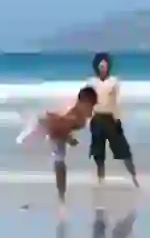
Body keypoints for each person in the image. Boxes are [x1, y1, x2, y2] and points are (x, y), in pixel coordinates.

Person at [25, 86, 99, 209]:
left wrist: (67, 138)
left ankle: (61, 195)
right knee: (58, 160)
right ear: (82, 103)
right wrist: (68, 139)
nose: (91, 110)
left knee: (59, 161)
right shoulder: (72, 117)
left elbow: (61, 128)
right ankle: (60, 196)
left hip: (54, 128)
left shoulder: (79, 119)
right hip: (45, 126)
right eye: (90, 106)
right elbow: (54, 126)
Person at [89, 52, 140, 188]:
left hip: (110, 119)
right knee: (98, 154)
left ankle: (134, 177)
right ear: (97, 66)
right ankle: (101, 180)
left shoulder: (114, 81)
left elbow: (116, 102)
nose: (102, 66)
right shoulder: (91, 82)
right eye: (100, 64)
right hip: (97, 119)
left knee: (124, 151)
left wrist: (118, 119)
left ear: (108, 66)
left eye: (105, 64)